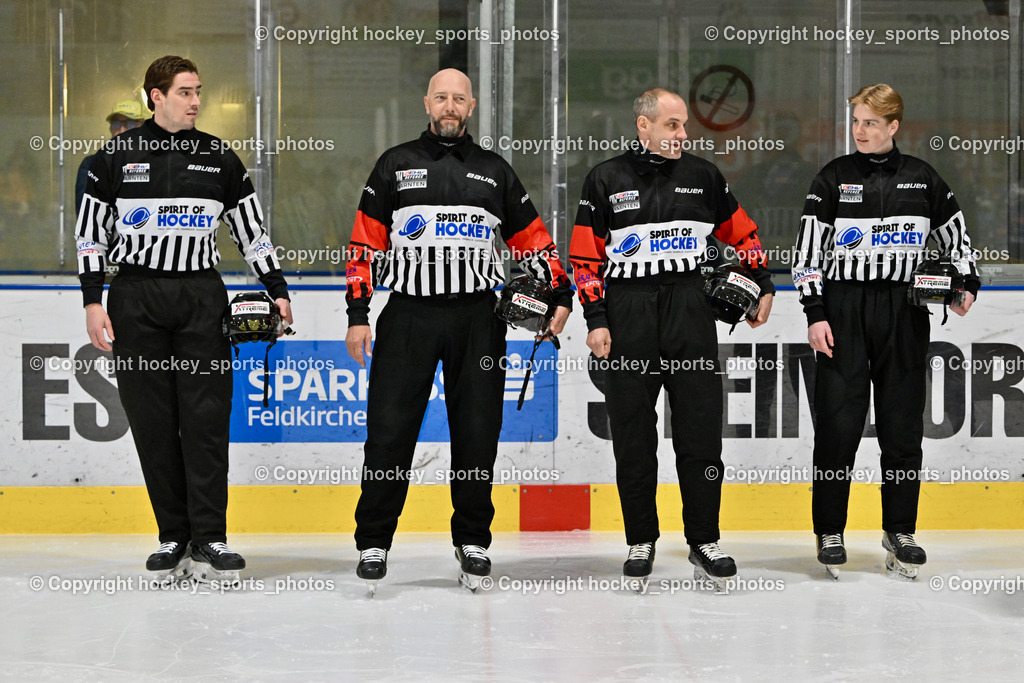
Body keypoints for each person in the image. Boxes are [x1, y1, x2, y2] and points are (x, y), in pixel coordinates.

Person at [345, 68, 572, 592]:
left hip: (477, 320)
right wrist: (358, 315)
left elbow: (534, 242)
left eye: (459, 99)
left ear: (471, 107)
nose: (450, 106)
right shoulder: (394, 165)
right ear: (427, 102)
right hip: (407, 317)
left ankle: (473, 540)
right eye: (442, 97)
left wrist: (562, 293)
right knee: (389, 432)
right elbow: (363, 246)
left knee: (476, 432)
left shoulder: (494, 171)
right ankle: (374, 541)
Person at [76, 55, 294, 584]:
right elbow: (90, 236)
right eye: (185, 92)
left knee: (205, 420)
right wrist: (92, 300)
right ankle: (172, 536)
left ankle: (211, 537)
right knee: (152, 422)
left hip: (201, 296)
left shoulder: (219, 158)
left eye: (199, 91)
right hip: (135, 296)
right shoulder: (112, 158)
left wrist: (277, 288)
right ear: (156, 96)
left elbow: (252, 232)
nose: (196, 101)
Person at [568, 88, 774, 588]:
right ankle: (641, 539)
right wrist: (596, 319)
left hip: (690, 309)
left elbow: (743, 235)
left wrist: (763, 283)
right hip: (627, 312)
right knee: (634, 439)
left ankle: (704, 540)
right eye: (673, 126)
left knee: (700, 433)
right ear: (645, 125)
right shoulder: (605, 179)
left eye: (683, 127)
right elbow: (584, 259)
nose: (683, 135)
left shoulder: (704, 177)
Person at [791, 84, 978, 579]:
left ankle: (900, 529)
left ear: (894, 126)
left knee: (901, 429)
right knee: (838, 427)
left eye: (871, 122)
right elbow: (807, 257)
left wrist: (966, 285)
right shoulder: (832, 178)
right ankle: (829, 529)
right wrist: (815, 312)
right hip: (844, 310)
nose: (860, 130)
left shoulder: (922, 178)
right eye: (855, 121)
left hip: (904, 311)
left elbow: (959, 241)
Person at [75, 100, 147, 213]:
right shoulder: (92, 164)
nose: (122, 130)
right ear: (110, 128)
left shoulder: (155, 163)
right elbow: (86, 211)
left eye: (130, 124)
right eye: (116, 124)